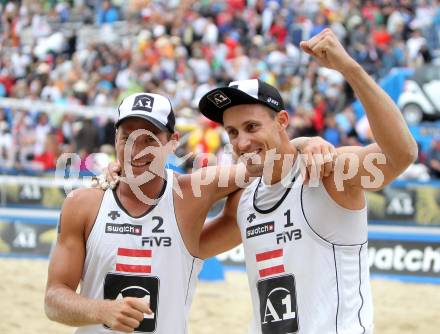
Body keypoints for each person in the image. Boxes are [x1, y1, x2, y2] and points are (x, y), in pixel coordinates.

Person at [44, 92, 334, 333]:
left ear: (172, 142)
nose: (135, 149)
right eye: (126, 137)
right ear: (116, 139)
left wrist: (304, 143)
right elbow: (54, 299)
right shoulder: (83, 203)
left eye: (149, 139)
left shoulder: (191, 193)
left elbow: (263, 160)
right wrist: (103, 310)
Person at [196, 29, 418, 333]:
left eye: (251, 126)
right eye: (232, 132)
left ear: (282, 121)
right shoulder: (246, 199)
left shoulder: (327, 173)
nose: (242, 141)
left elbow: (401, 154)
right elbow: (188, 246)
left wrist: (349, 69)